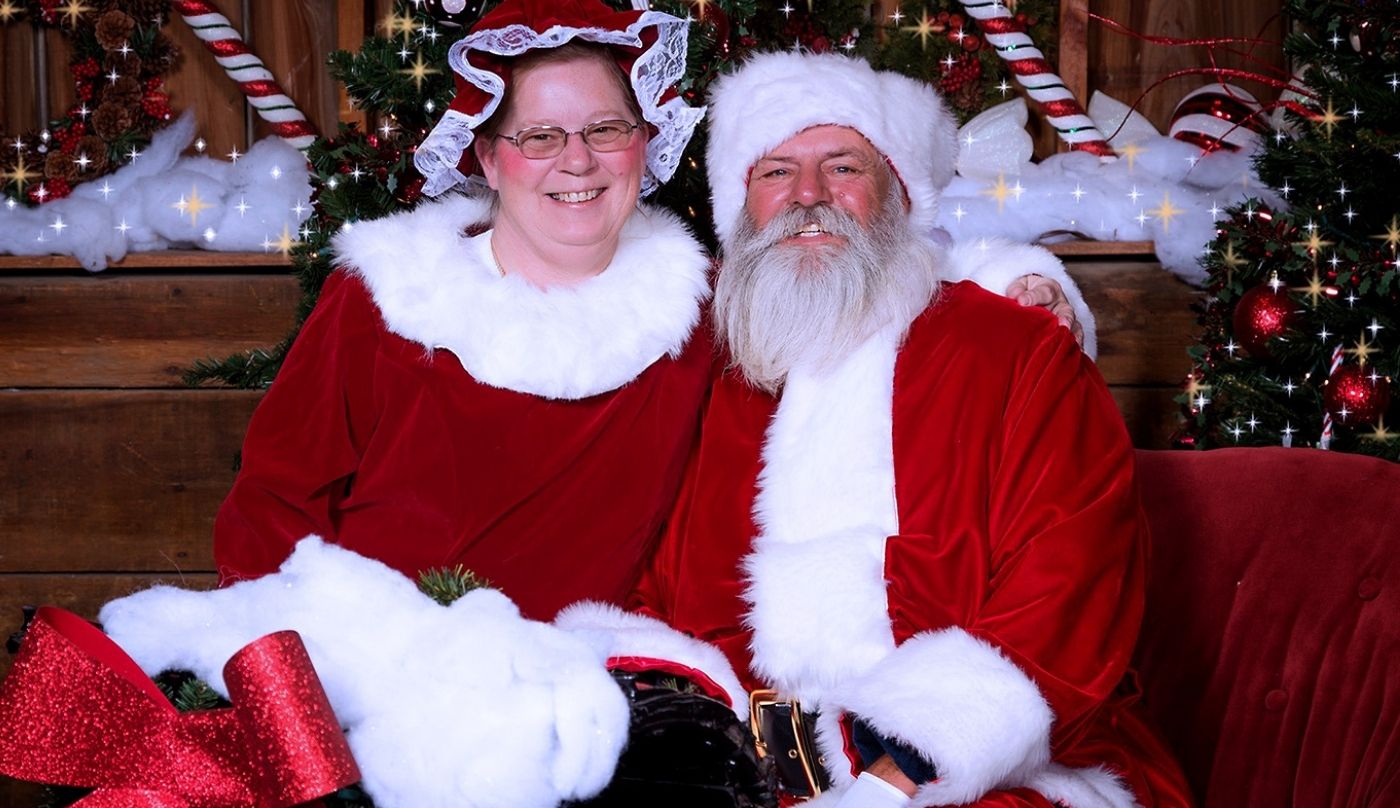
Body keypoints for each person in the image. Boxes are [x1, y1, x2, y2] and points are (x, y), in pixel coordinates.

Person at [212, 0, 1087, 622]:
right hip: (371, 678)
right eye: (539, 136)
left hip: (596, 704)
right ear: (487, 154)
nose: (577, 163)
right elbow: (271, 512)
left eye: (604, 130)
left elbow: (862, 264)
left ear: (646, 142)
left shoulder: (699, 308)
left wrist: (1016, 276)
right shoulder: (387, 300)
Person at [557, 52, 1194, 807]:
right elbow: (637, 593)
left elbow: (1066, 600)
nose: (808, 197)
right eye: (774, 172)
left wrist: (892, 784)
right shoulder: (692, 373)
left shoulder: (1019, 355)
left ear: (899, 193)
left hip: (992, 770)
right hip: (738, 771)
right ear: (740, 207)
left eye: (844, 167)